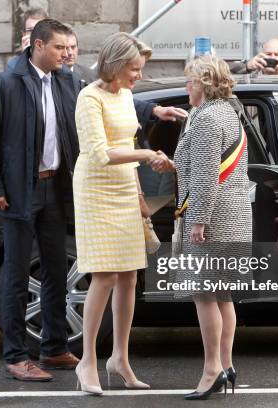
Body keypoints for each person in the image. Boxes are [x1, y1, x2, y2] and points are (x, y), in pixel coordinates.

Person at [0, 18, 82, 382]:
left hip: (56, 190)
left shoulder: (67, 81)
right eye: (59, 48)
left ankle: (54, 348)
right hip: (20, 190)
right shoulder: (7, 83)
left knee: (56, 271)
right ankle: (17, 355)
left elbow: (103, 104)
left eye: (68, 48)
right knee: (18, 276)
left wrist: (151, 112)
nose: (66, 54)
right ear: (37, 45)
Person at [151, 55, 252, 400]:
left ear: (205, 84)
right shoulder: (227, 111)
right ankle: (226, 365)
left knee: (204, 293)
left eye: (189, 81)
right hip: (232, 214)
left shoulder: (208, 119)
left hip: (213, 218)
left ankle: (211, 370)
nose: (185, 86)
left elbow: (207, 176)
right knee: (222, 294)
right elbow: (197, 164)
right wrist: (172, 165)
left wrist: (198, 221)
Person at [73, 32, 164, 395]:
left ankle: (120, 358)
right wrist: (146, 156)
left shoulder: (126, 95)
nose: (138, 75)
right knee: (106, 275)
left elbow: (127, 143)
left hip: (125, 188)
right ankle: (87, 360)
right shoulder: (88, 97)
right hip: (96, 188)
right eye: (134, 68)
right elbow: (98, 153)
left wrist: (140, 193)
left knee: (129, 276)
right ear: (115, 64)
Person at [5, 7, 49, 72]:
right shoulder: (13, 65)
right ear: (24, 34)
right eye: (31, 30)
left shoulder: (58, 62)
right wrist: (26, 58)